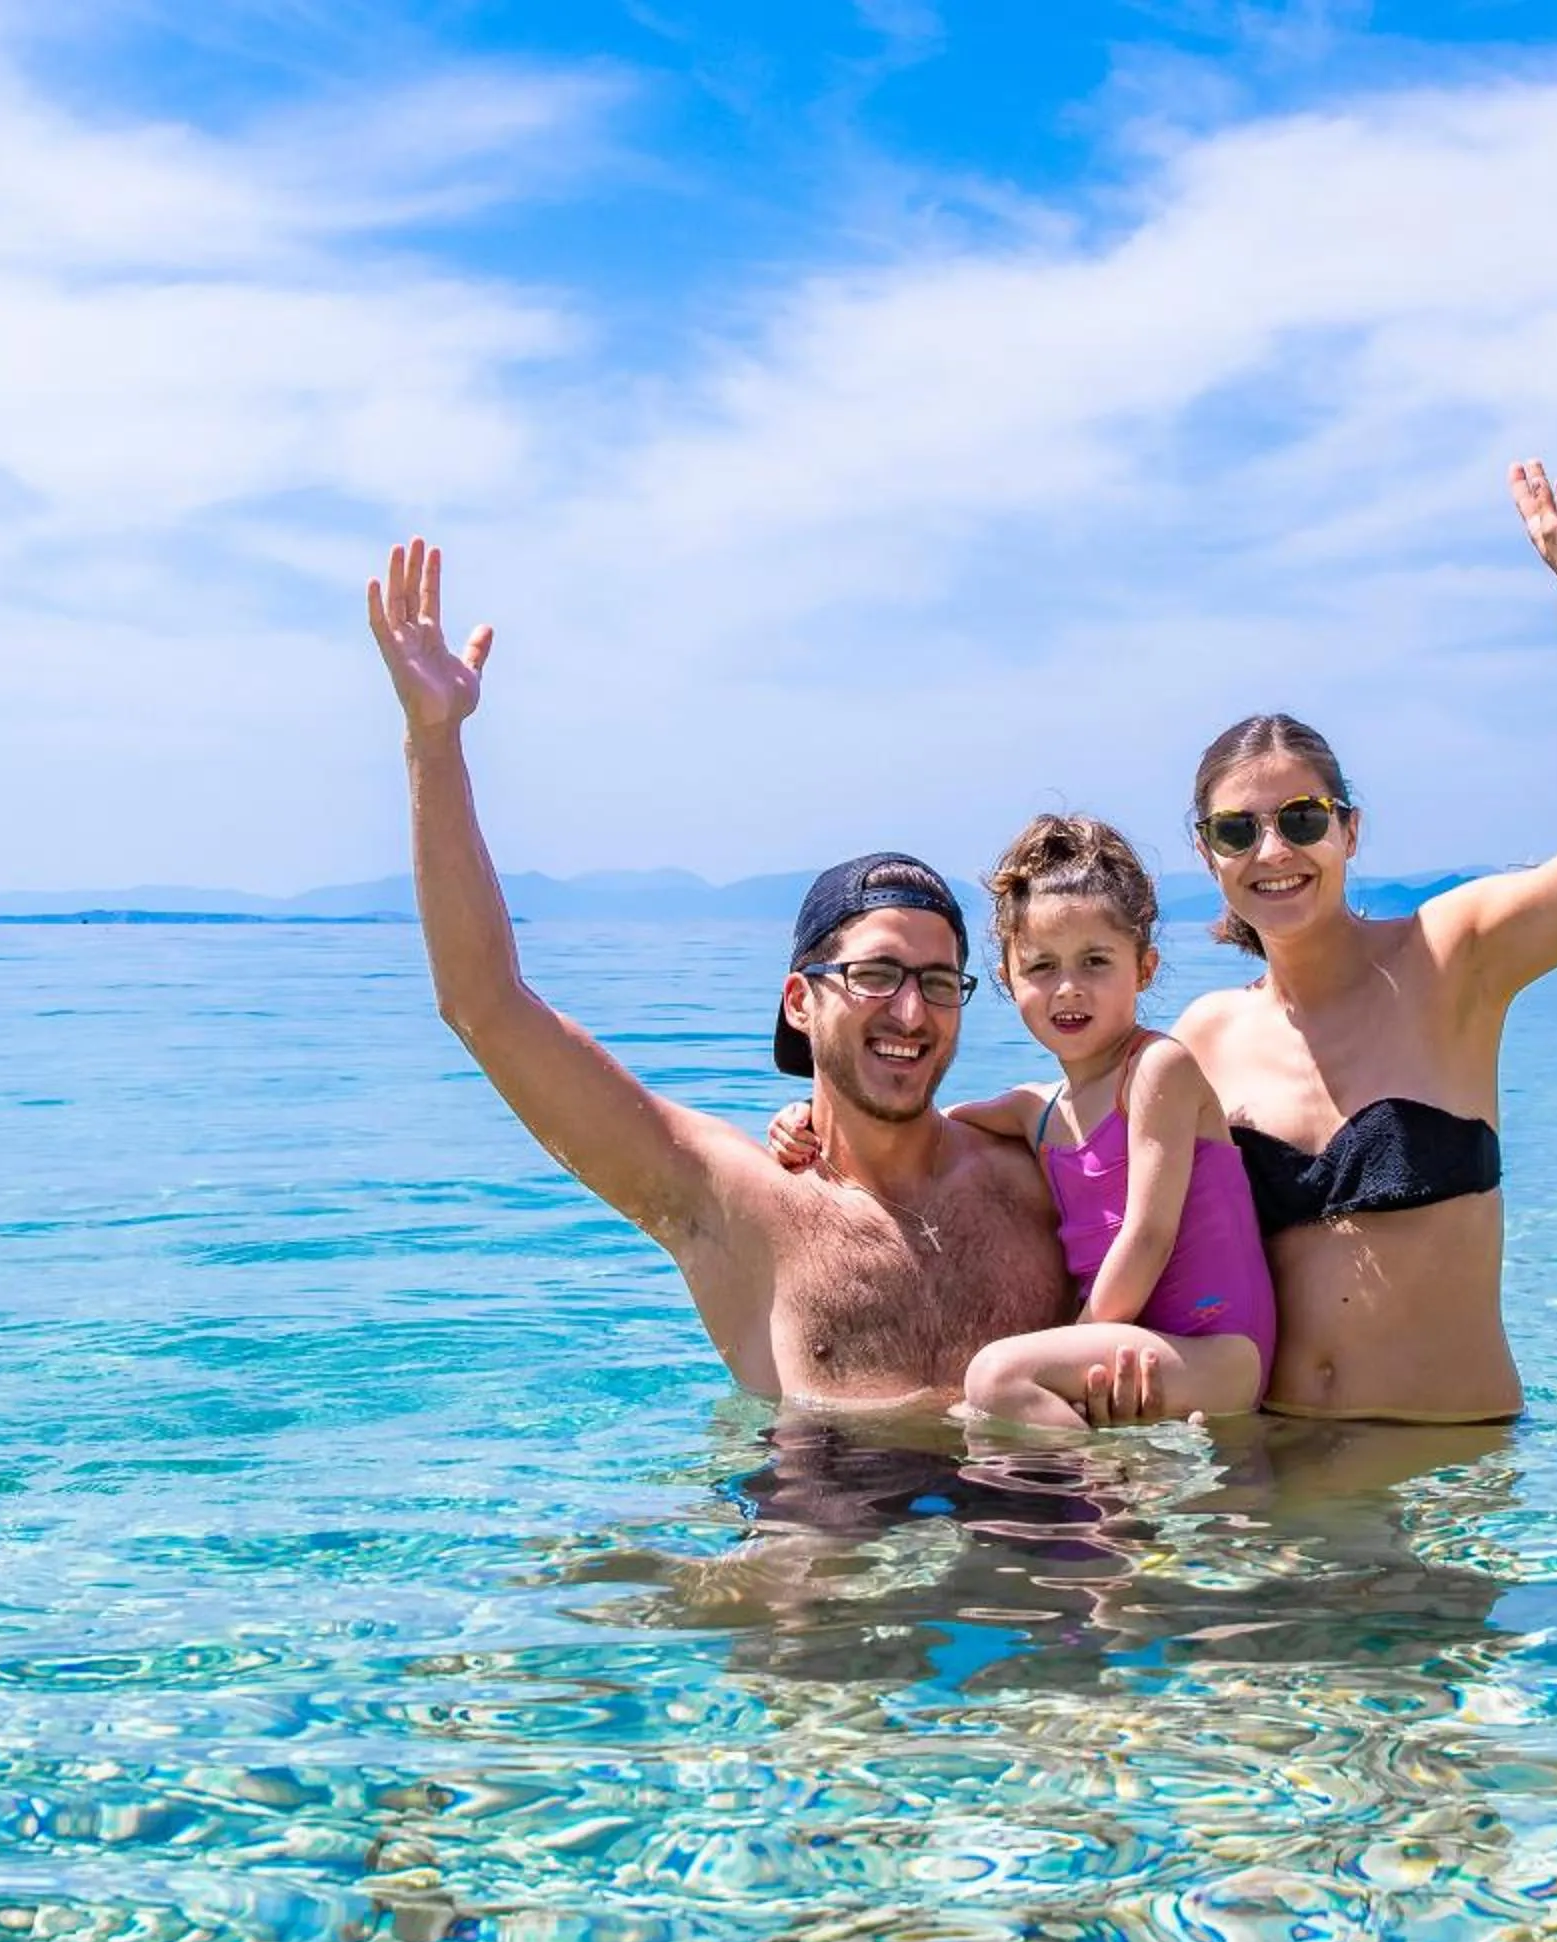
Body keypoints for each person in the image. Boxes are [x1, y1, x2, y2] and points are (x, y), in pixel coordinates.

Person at [364, 538, 1078, 1407]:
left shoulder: (1036, 1175)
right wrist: (432, 744)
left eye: (938, 983)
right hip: (818, 1531)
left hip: (1022, 1532)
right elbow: (485, 1005)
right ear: (800, 1000)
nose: (910, 1011)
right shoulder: (731, 1202)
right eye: (876, 975)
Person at [1166, 460, 1557, 1423]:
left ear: (1351, 830)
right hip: (1273, 1480)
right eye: (1239, 831)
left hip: (1442, 1478)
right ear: (1208, 856)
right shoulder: (1203, 1038)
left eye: (1304, 819)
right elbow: (1076, 1154)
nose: (1274, 852)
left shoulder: (1453, 957)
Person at [770, 814, 1277, 1427]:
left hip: (1218, 1355)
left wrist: (1079, 1339)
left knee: (994, 1379)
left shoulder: (1156, 1069)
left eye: (1095, 961)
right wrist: (805, 1121)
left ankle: (1105, 1489)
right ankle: (1091, 1498)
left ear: (1143, 969)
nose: (1068, 989)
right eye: (1042, 967)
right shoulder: (1037, 1115)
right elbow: (910, 1120)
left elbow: (1147, 1237)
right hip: (1149, 1349)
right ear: (1009, 980)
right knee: (994, 1402)